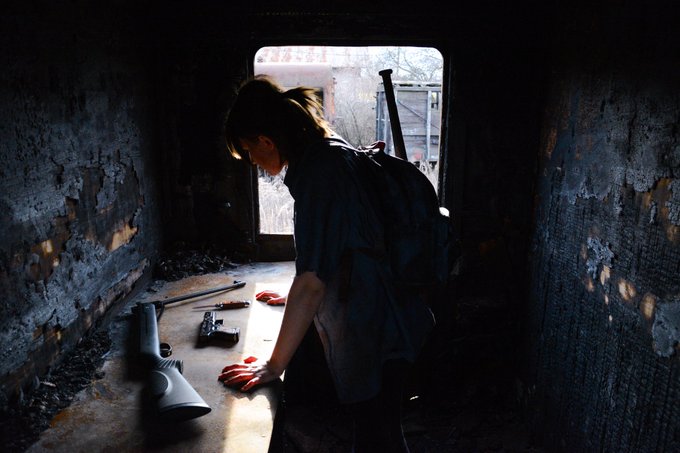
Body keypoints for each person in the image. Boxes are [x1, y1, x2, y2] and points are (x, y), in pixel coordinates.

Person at [218, 75, 435, 452]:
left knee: (378, 437)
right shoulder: (328, 152)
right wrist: (296, 299)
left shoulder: (321, 172)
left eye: (250, 151)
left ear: (266, 141)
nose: (253, 162)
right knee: (377, 431)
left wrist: (273, 365)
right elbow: (342, 251)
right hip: (387, 314)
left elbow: (312, 281)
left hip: (379, 327)